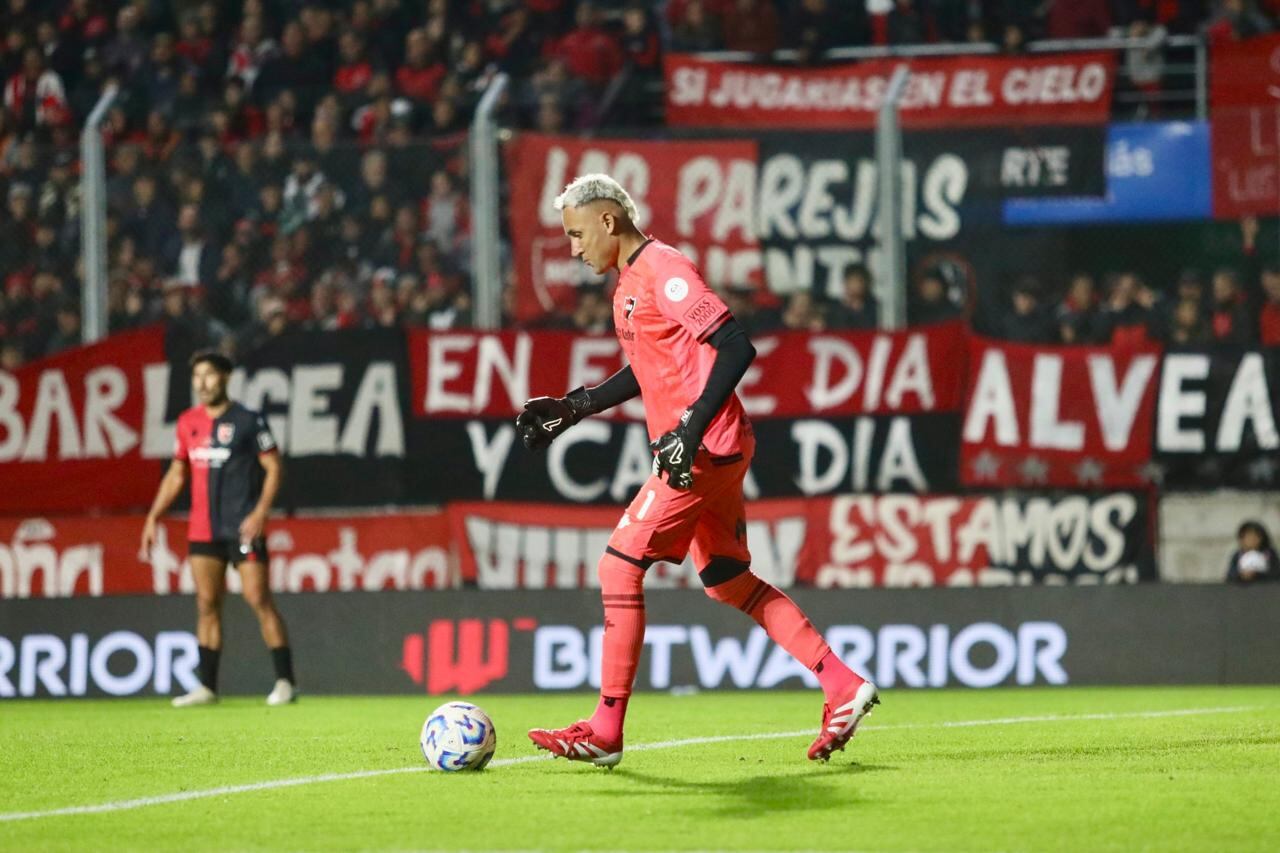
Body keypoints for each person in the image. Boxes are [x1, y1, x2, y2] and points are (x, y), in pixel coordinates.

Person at [516, 174, 877, 768]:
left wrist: (687, 427)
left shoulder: (664, 268)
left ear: (608, 221)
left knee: (618, 565)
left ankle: (605, 729)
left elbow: (735, 345)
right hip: (707, 446)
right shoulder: (628, 283)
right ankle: (841, 683)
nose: (574, 249)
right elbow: (647, 368)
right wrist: (575, 406)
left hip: (701, 449)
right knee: (731, 581)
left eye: (577, 235)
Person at [140, 351, 297, 707]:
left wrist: (260, 513)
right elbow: (177, 473)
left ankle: (286, 682)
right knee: (207, 603)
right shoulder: (187, 422)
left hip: (243, 527)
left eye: (209, 375)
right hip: (203, 531)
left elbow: (274, 467)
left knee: (258, 598)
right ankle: (207, 687)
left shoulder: (248, 420)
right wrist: (153, 516)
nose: (202, 383)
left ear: (225, 377)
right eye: (197, 377)